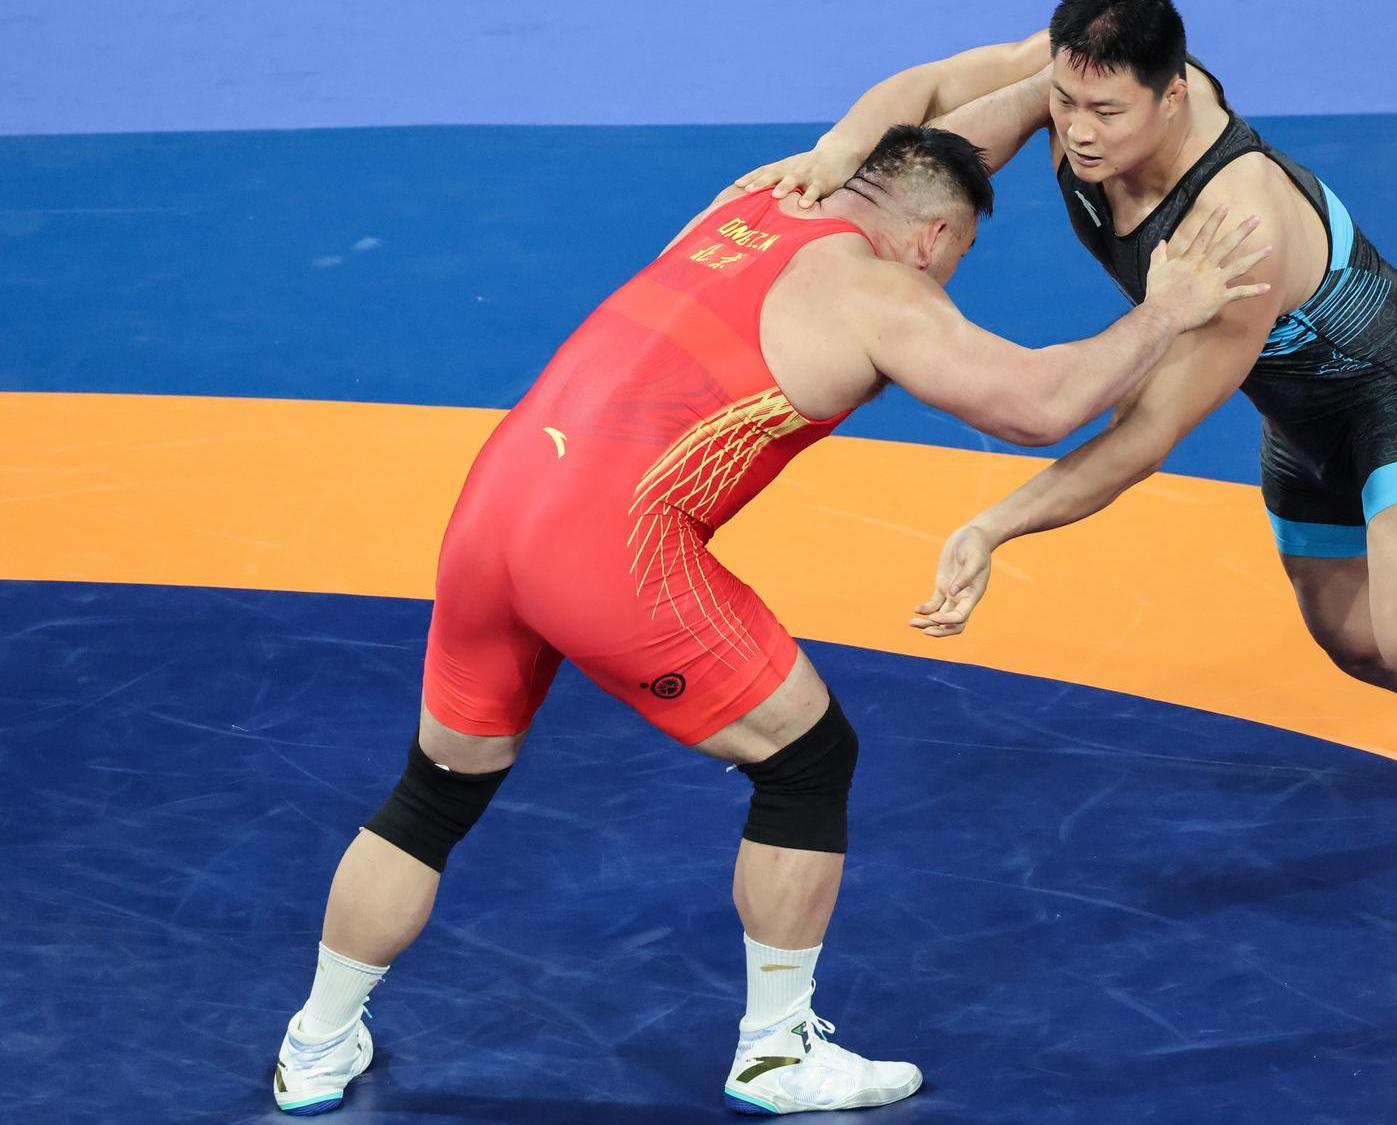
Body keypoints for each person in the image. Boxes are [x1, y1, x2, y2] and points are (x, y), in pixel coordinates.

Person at [269, 124, 1270, 1117]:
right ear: (930, 237)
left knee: (436, 792)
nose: (946, 279)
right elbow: (1037, 405)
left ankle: (313, 1047)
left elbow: (952, 103)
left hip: (494, 507)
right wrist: (1168, 309)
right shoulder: (879, 291)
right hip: (608, 545)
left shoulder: (761, 198)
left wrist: (1053, 85)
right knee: (806, 759)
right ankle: (775, 1053)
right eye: (957, 256)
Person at [736, 0, 1397, 1003]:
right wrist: (838, 151)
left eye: (1106, 112)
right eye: (1064, 101)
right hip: (1299, 421)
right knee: (1357, 644)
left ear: (1173, 93)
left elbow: (1142, 438)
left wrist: (996, 523)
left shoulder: (1233, 224)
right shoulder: (1078, 82)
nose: (1077, 131)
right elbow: (939, 88)